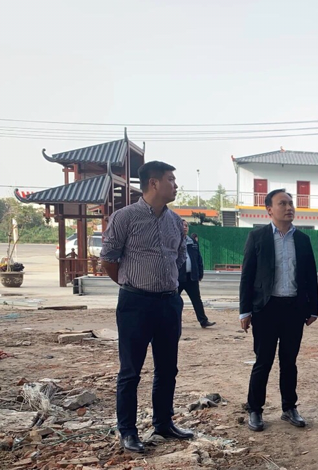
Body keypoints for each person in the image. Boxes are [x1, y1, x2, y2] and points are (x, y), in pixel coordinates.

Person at [100, 161, 194, 453]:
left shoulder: (175, 221)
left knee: (167, 368)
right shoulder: (125, 218)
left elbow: (179, 257)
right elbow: (108, 259)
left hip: (169, 303)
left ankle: (163, 423)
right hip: (135, 303)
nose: (175, 185)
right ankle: (128, 431)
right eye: (171, 179)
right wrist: (131, 285)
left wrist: (168, 288)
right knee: (130, 371)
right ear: (154, 183)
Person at [239, 189, 318, 431]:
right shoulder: (258, 237)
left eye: (291, 203)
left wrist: (313, 308)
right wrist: (245, 311)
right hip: (266, 309)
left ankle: (289, 407)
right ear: (269, 210)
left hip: (294, 308)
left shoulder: (302, 239)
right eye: (282, 203)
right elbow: (247, 275)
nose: (289, 207)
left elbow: (310, 275)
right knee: (263, 361)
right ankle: (255, 409)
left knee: (289, 361)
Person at [178, 220, 215, 328]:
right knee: (174, 301)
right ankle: (175, 322)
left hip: (191, 277)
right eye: (182, 225)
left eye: (186, 225)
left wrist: (200, 273)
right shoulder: (173, 242)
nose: (185, 227)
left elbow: (199, 259)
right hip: (178, 278)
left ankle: (203, 321)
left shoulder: (193, 243)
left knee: (197, 300)